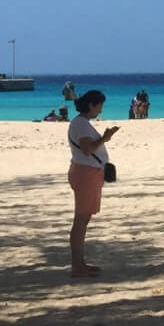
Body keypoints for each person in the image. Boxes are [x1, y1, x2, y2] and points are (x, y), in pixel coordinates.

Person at [67, 90, 119, 279]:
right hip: (86, 173)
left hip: (88, 172)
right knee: (81, 221)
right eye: (99, 106)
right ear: (91, 105)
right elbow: (87, 149)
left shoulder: (82, 123)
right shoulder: (80, 124)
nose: (100, 110)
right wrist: (104, 139)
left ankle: (79, 263)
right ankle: (76, 266)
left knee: (83, 219)